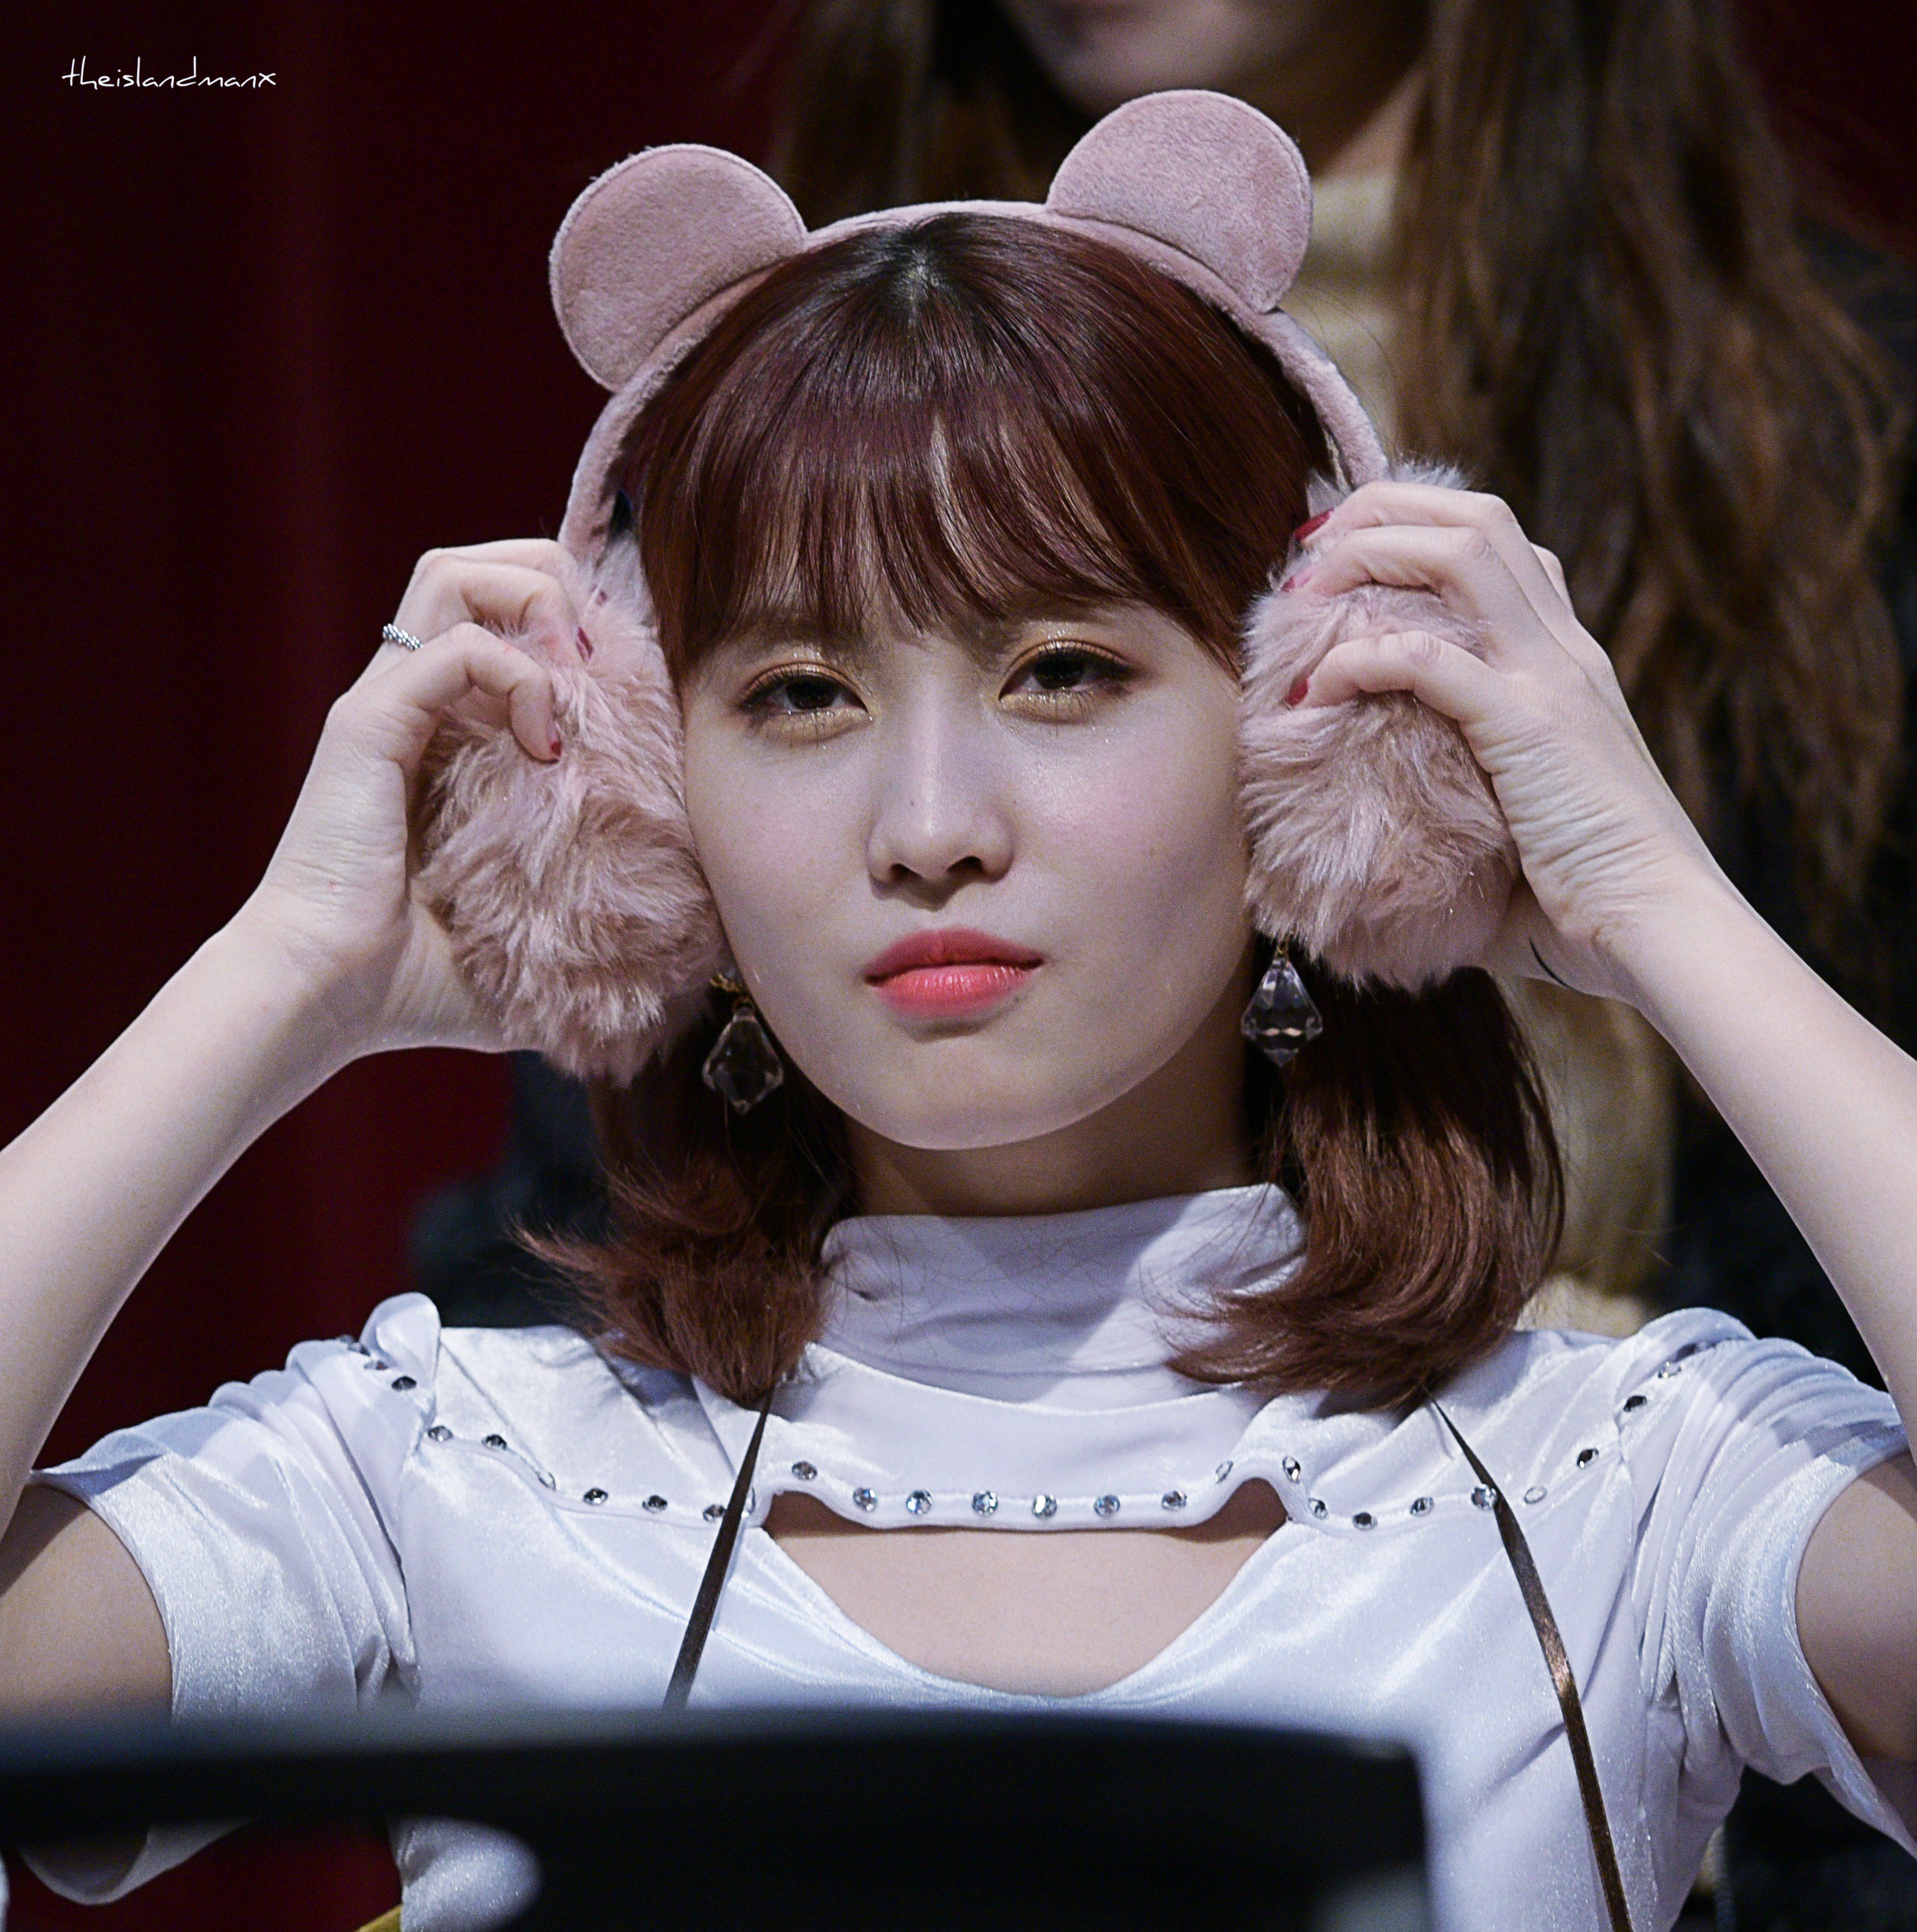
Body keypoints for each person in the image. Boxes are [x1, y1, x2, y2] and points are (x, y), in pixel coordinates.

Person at [0, 90, 1912, 1932]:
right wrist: (286, 974)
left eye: (1062, 667)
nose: (927, 828)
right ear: (640, 799)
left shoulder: (1626, 1483)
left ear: (1318, 731)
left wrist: (1658, 908)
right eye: (800, 695)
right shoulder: (448, 1467)